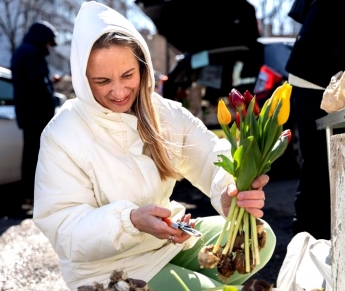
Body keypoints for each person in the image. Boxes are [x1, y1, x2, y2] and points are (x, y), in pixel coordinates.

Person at [32, 2, 276, 290]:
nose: (120, 91)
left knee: (258, 240)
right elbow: (63, 228)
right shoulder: (64, 133)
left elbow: (209, 154)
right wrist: (131, 221)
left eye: (127, 75)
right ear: (84, 80)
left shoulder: (161, 112)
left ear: (142, 67)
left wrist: (229, 190)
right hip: (108, 268)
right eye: (102, 81)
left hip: (167, 241)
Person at [285, 0, 345, 240]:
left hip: (315, 64)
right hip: (315, 72)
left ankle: (314, 238)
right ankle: (308, 241)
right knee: (318, 164)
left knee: (319, 164)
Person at [10, 20, 59, 212]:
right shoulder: (32, 54)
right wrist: (52, 100)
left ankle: (28, 198)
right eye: (48, 42)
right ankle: (30, 199)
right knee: (35, 157)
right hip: (36, 115)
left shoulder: (23, 51)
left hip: (28, 113)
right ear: (42, 39)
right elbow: (38, 85)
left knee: (31, 155)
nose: (49, 46)